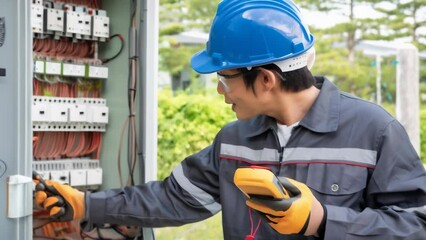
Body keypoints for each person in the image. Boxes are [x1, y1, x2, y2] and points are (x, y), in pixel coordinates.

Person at [34, 0, 426, 239]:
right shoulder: (235, 140)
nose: (220, 90)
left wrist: (323, 221)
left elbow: (416, 227)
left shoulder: (374, 131)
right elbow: (173, 199)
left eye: (224, 78)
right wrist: (86, 205)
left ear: (267, 79)